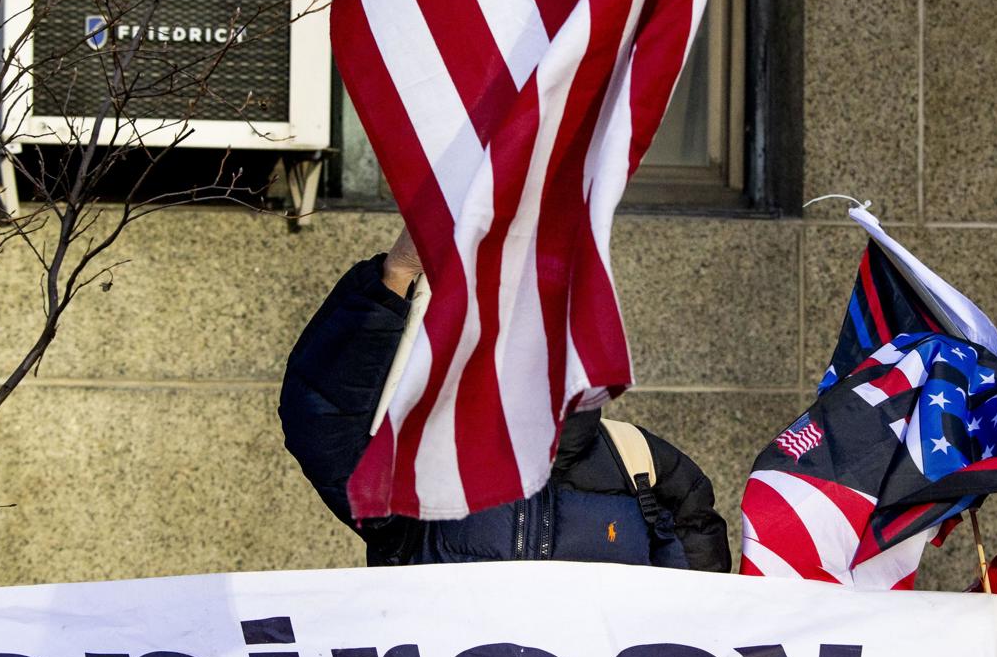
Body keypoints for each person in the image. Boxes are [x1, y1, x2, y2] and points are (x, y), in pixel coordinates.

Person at [279, 232, 729, 571]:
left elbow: (691, 633)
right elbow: (322, 422)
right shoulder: (430, 460)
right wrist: (396, 275)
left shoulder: (645, 468)